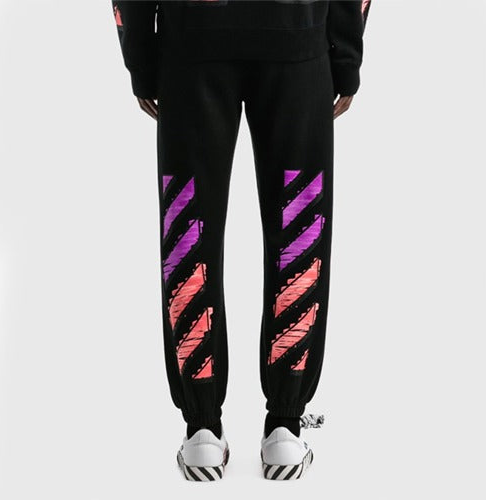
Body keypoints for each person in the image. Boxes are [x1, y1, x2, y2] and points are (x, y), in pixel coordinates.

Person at [112, 0, 370, 481]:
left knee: (188, 238)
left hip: (192, 45)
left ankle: (201, 431)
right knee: (298, 234)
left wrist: (141, 60)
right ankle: (285, 428)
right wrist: (345, 56)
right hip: (297, 39)